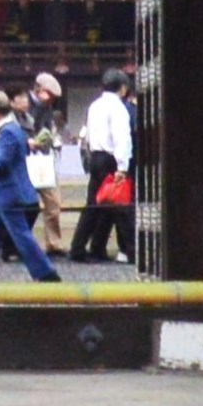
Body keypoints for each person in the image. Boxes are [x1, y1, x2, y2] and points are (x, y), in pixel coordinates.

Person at [0, 90, 59, 284]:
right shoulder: (15, 128)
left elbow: (2, 163)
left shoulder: (6, 131)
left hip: (8, 194)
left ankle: (45, 272)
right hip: (7, 193)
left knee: (21, 236)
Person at [66, 69, 137, 266]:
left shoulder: (94, 105)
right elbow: (122, 137)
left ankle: (78, 248)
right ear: (123, 88)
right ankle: (132, 251)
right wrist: (122, 166)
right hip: (111, 159)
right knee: (122, 205)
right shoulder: (118, 108)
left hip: (96, 156)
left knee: (93, 205)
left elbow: (88, 135)